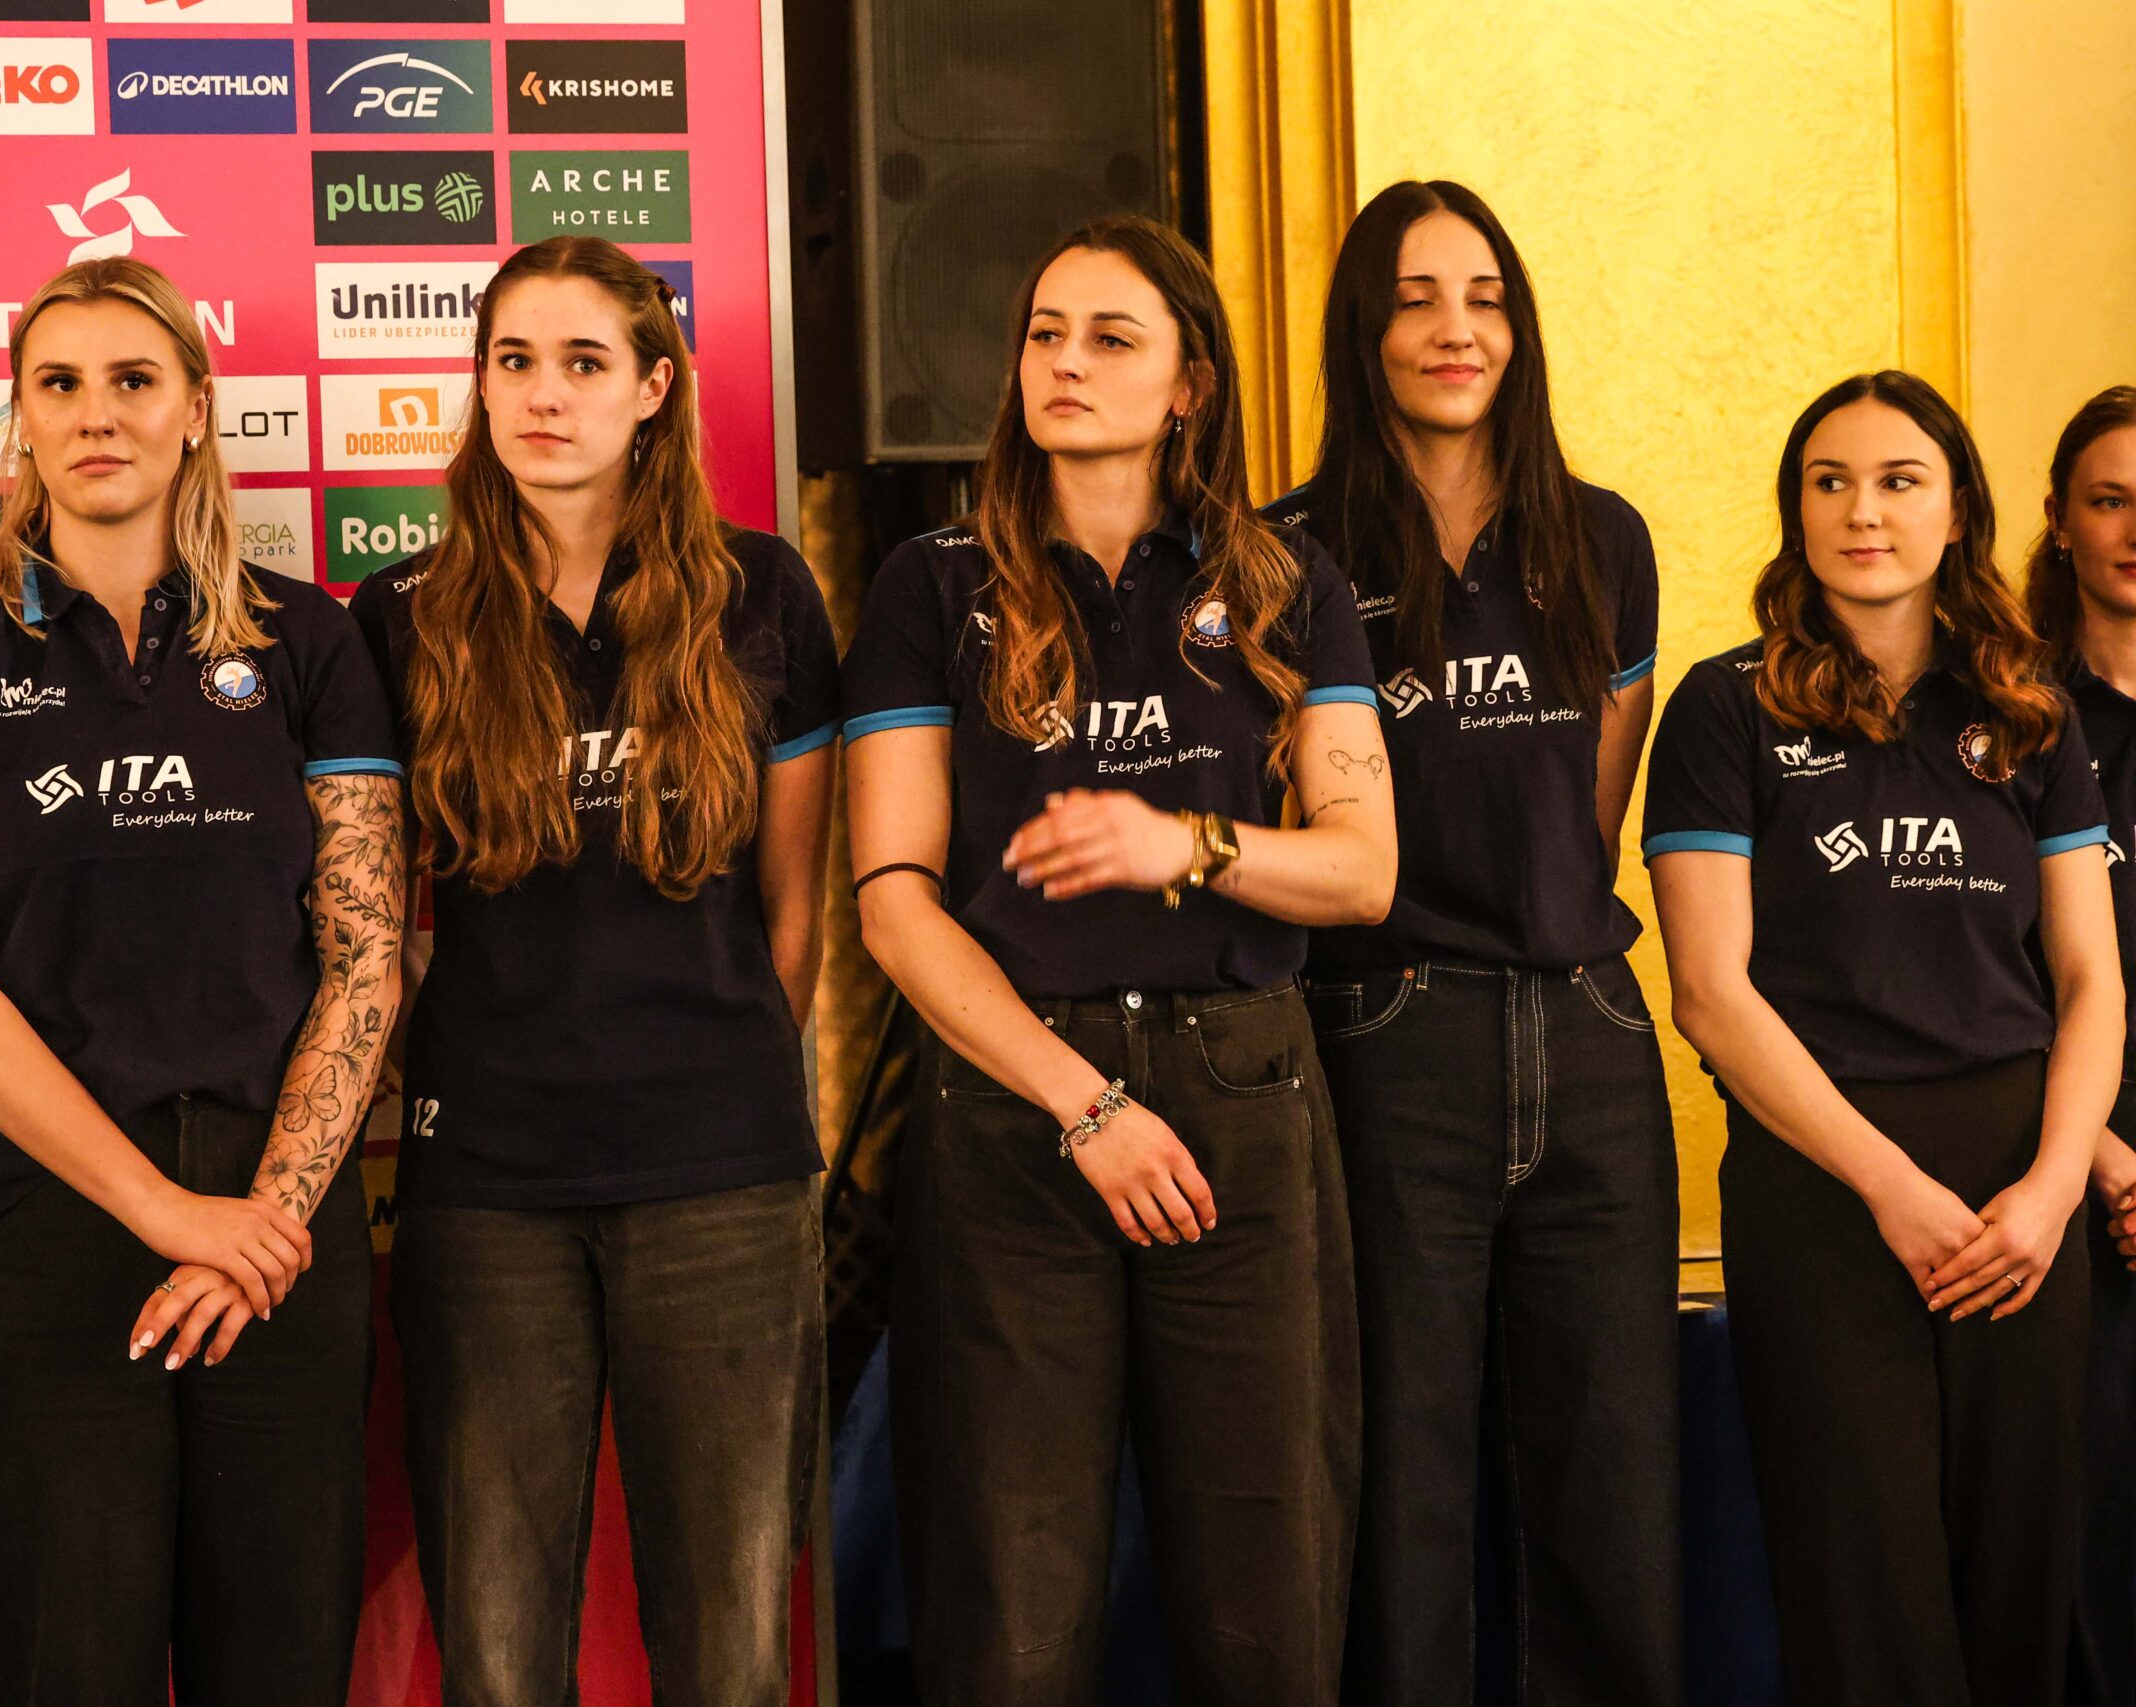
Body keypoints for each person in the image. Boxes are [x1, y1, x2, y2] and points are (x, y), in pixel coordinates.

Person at [843, 214, 1396, 1705]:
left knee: (1265, 1597)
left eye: (1110, 338)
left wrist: (1185, 845)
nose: (1065, 363)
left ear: (1190, 385)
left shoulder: (1285, 580)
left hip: (1241, 1096)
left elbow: (1362, 870)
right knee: (1009, 1609)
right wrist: (1084, 1105)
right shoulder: (931, 584)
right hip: (1018, 1102)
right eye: (1045, 333)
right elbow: (892, 902)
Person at [0, 259, 406, 1707]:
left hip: (280, 1229)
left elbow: (364, 955)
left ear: (197, 411)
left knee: (280, 1665)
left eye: (134, 380)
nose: (96, 414)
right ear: (22, 418)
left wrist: (262, 1220)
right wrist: (165, 1213)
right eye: (60, 383)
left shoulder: (308, 637)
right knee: (74, 1666)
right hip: (53, 1223)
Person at [349, 235, 838, 1704]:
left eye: (582, 363)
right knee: (500, 1658)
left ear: (654, 388)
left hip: (723, 1176)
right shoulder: (400, 614)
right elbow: (369, 923)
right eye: (513, 362)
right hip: (487, 1186)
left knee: (733, 1648)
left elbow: (796, 913)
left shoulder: (762, 593)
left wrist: (717, 1079)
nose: (543, 396)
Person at [1646, 370, 2121, 1707]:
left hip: (2021, 1189)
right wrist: (1891, 1188)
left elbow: (2091, 979)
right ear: (1795, 510)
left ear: (1957, 510)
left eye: (1900, 481)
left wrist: (2053, 1188)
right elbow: (1711, 994)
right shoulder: (1724, 706)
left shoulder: (2029, 709)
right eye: (1831, 483)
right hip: (1826, 1187)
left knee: (2018, 1582)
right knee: (1867, 1597)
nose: (1864, 512)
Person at [1267, 179, 1679, 1706]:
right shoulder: (1285, 550)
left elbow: (1594, 805)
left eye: (1486, 297)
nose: (1456, 330)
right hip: (1389, 1037)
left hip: (1590, 1030)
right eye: (1416, 298)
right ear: (1362, 331)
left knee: (1613, 1484)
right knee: (1403, 1481)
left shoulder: (1605, 538)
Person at [2022, 384, 2136, 1707]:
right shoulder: (2013, 721)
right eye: (2112, 502)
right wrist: (2099, 1155)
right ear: (2060, 520)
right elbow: (1992, 972)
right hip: (2064, 1173)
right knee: (2088, 1552)